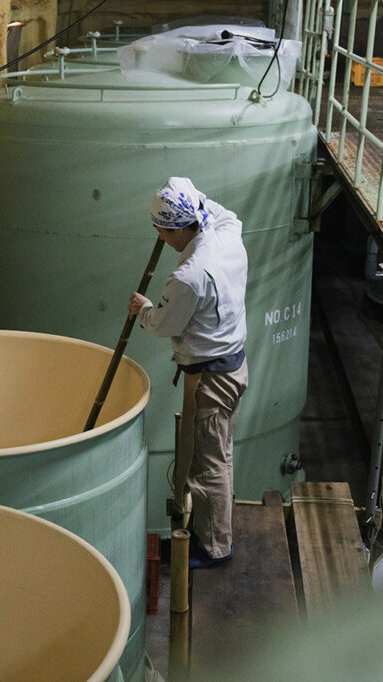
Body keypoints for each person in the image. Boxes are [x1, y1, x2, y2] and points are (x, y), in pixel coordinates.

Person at [127, 177, 249, 568]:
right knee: (219, 455)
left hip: (210, 381)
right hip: (233, 367)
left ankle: (215, 547)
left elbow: (165, 326)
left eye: (161, 230)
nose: (160, 238)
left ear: (179, 227)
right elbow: (218, 211)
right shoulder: (226, 232)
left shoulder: (188, 278)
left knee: (207, 464)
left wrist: (143, 309)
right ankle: (215, 529)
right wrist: (190, 197)